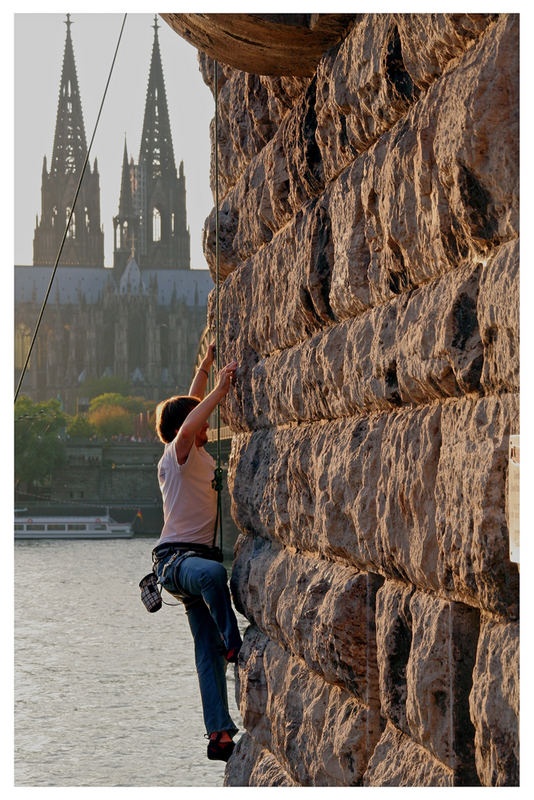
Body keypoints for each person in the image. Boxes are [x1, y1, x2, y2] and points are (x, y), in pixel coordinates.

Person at [151, 343, 242, 763]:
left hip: (192, 562)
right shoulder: (178, 455)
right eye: (199, 416)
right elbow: (187, 424)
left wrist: (204, 368)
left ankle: (219, 734)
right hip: (176, 563)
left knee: (204, 655)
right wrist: (221, 390)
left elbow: (188, 408)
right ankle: (233, 643)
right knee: (210, 574)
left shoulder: (196, 454)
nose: (208, 423)